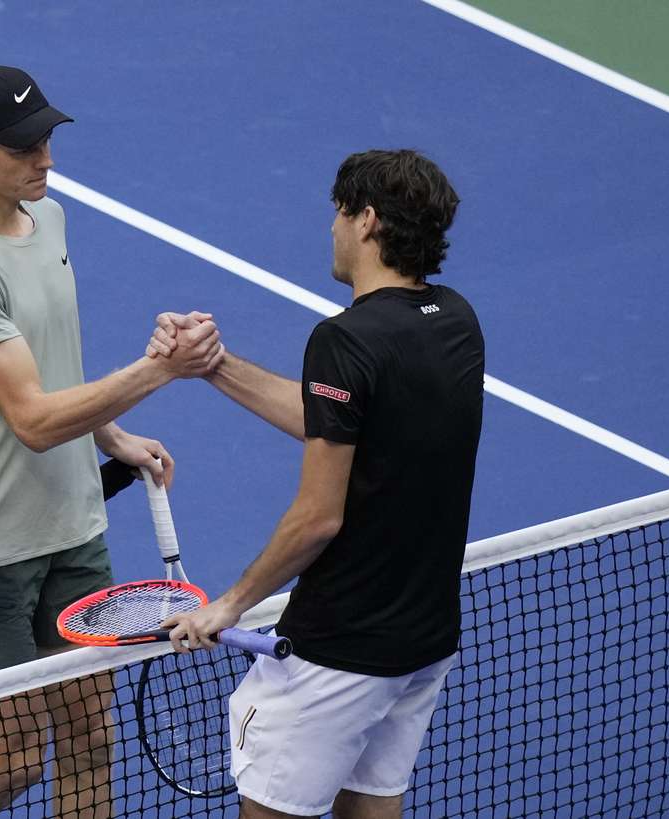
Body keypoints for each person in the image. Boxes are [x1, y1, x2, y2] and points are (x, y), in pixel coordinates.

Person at [0, 65, 223, 818]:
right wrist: (157, 369)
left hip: (72, 519)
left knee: (90, 734)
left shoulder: (48, 218)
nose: (45, 159)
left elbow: (53, 362)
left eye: (47, 138)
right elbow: (33, 419)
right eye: (24, 147)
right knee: (17, 755)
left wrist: (112, 435)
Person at [153, 149, 484, 818]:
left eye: (339, 211)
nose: (331, 227)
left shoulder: (345, 339)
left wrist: (230, 604)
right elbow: (335, 416)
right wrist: (214, 366)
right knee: (373, 805)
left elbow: (318, 516)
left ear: (366, 221)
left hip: (339, 650)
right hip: (422, 641)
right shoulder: (456, 321)